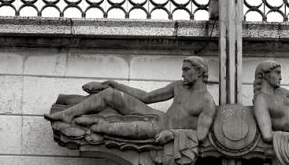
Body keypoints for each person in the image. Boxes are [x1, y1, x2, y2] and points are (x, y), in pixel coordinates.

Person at [45, 56, 216, 144]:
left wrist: (172, 134)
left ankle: (89, 122)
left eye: (186, 70)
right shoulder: (178, 86)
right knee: (110, 94)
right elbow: (146, 97)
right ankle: (66, 115)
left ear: (199, 71)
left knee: (106, 127)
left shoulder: (207, 102)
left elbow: (200, 135)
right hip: (157, 116)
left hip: (161, 128)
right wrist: (116, 85)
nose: (182, 74)